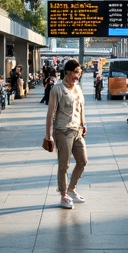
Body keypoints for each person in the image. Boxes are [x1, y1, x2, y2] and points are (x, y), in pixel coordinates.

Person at [43, 59, 88, 209]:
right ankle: (63, 195)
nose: (78, 75)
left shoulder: (78, 88)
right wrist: (48, 135)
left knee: (82, 161)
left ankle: (71, 189)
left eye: (79, 72)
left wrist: (83, 123)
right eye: (76, 72)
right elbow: (50, 114)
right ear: (68, 72)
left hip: (77, 131)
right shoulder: (57, 89)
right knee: (64, 165)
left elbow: (81, 107)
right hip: (62, 131)